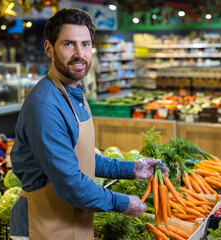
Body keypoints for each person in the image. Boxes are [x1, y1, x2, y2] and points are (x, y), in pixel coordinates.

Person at [9, 8, 168, 240]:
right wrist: (121, 202)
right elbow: (70, 182)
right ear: (49, 49)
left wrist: (131, 169)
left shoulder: (74, 91)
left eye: (85, 44)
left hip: (72, 220)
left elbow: (81, 158)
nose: (79, 53)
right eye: (68, 44)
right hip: (41, 226)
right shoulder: (44, 105)